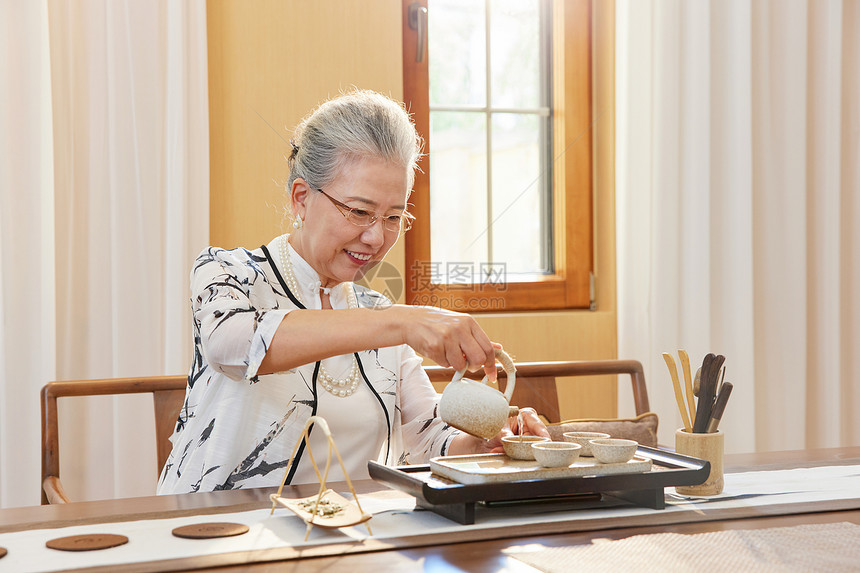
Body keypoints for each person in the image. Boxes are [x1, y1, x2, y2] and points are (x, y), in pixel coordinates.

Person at [157, 89, 548, 494]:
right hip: (218, 533)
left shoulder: (380, 315)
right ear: (302, 198)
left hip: (341, 537)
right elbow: (236, 347)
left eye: (394, 217)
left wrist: (493, 440)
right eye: (359, 212)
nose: (376, 237)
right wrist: (401, 321)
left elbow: (432, 441)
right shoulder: (226, 272)